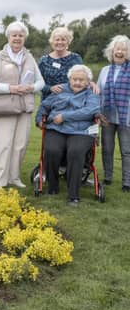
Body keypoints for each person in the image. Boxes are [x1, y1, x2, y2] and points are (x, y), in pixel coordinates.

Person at [0, 21, 45, 190]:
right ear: (8, 37)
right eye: (14, 35)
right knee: (3, 145)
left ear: (24, 38)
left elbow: (41, 82)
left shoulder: (30, 57)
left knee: (20, 145)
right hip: (5, 108)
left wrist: (31, 87)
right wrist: (10, 89)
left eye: (20, 35)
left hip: (24, 108)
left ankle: (14, 177)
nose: (17, 38)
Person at [36, 65, 100, 205]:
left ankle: (73, 194)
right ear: (69, 79)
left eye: (81, 80)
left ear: (88, 81)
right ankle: (53, 186)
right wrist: (39, 118)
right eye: (74, 79)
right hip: (56, 128)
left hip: (81, 131)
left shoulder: (91, 94)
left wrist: (65, 116)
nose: (77, 82)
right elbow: (44, 106)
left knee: (76, 151)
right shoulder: (60, 90)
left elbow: (90, 111)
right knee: (52, 150)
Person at [97, 35, 130, 191]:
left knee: (126, 151)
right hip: (107, 116)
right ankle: (108, 177)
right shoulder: (104, 71)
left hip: (126, 117)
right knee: (107, 148)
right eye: (118, 49)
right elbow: (98, 93)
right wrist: (98, 113)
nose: (120, 52)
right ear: (112, 51)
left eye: (124, 49)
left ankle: (127, 182)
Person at [38, 26, 84, 100]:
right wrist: (50, 88)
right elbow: (38, 82)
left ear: (68, 42)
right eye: (57, 40)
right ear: (52, 42)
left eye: (63, 39)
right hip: (48, 104)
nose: (60, 42)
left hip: (70, 102)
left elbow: (83, 79)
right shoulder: (44, 60)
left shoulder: (75, 59)